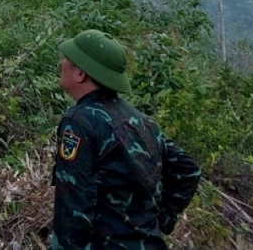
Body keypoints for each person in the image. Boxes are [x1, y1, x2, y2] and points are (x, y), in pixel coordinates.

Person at [52, 29, 201, 250]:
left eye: (67, 59)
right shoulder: (141, 121)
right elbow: (188, 170)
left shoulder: (80, 122)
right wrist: (159, 223)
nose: (62, 63)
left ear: (80, 73)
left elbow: (74, 209)